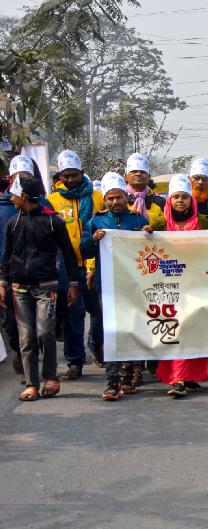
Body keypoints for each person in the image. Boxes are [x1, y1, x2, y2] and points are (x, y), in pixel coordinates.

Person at [2, 175, 80, 401]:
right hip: (19, 288)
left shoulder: (53, 221)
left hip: (47, 286)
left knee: (45, 332)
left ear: (24, 196)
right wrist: (2, 282)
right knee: (26, 338)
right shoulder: (13, 222)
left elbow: (68, 254)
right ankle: (31, 384)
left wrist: (73, 284)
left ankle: (50, 377)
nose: (11, 198)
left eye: (14, 194)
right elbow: (6, 257)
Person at [143, 174, 208, 399]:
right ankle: (179, 378)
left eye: (184, 197)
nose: (180, 201)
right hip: (168, 287)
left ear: (191, 200)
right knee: (176, 329)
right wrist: (144, 234)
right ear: (169, 200)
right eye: (176, 197)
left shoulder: (203, 222)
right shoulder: (159, 223)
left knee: (194, 330)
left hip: (197, 284)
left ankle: (190, 375)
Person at [79, 172, 150, 400]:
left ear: (126, 198)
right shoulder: (96, 221)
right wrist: (94, 239)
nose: (115, 202)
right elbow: (85, 250)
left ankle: (129, 376)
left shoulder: (138, 220)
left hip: (134, 284)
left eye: (119, 197)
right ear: (105, 201)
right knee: (111, 331)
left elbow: (148, 251)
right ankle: (112, 380)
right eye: (110, 198)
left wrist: (149, 234)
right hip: (106, 284)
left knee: (131, 327)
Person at [47, 149, 103, 381]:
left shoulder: (98, 197)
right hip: (67, 267)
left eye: (74, 175)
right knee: (73, 314)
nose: (70, 180)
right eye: (65, 175)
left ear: (82, 173)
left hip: (95, 264)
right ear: (60, 176)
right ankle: (75, 361)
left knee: (98, 313)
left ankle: (97, 346)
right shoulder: (51, 202)